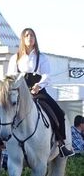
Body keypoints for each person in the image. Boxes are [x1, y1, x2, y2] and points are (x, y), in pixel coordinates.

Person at [6, 27, 73, 157]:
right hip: (20, 91)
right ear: (22, 39)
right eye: (27, 35)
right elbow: (11, 76)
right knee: (4, 113)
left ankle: (61, 142)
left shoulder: (41, 57)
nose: (30, 38)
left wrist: (38, 85)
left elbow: (47, 75)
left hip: (38, 90)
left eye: (32, 35)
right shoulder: (15, 58)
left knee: (58, 112)